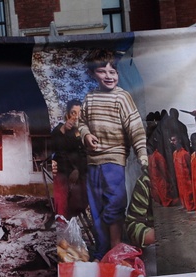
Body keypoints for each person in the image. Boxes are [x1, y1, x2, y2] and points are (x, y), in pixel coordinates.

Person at [77, 50, 148, 261]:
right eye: (102, 71)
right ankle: (102, 250)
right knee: (97, 208)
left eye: (113, 71)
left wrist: (142, 153)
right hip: (92, 163)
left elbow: (135, 127)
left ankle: (116, 246)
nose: (109, 75)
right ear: (93, 74)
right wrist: (86, 134)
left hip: (115, 159)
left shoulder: (122, 97)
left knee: (115, 202)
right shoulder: (89, 98)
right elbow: (82, 123)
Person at [50, 99, 87, 219]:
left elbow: (83, 155)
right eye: (73, 113)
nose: (76, 117)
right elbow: (57, 147)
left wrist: (78, 171)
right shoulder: (61, 129)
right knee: (61, 203)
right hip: (63, 172)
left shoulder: (83, 132)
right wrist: (64, 129)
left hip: (79, 175)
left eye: (79, 113)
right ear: (67, 114)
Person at [171, 135, 195, 212]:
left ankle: (191, 206)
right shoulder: (174, 154)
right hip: (179, 179)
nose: (173, 142)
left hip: (186, 179)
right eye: (172, 141)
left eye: (174, 140)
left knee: (189, 193)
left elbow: (190, 167)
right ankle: (185, 205)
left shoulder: (185, 154)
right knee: (182, 193)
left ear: (179, 141)